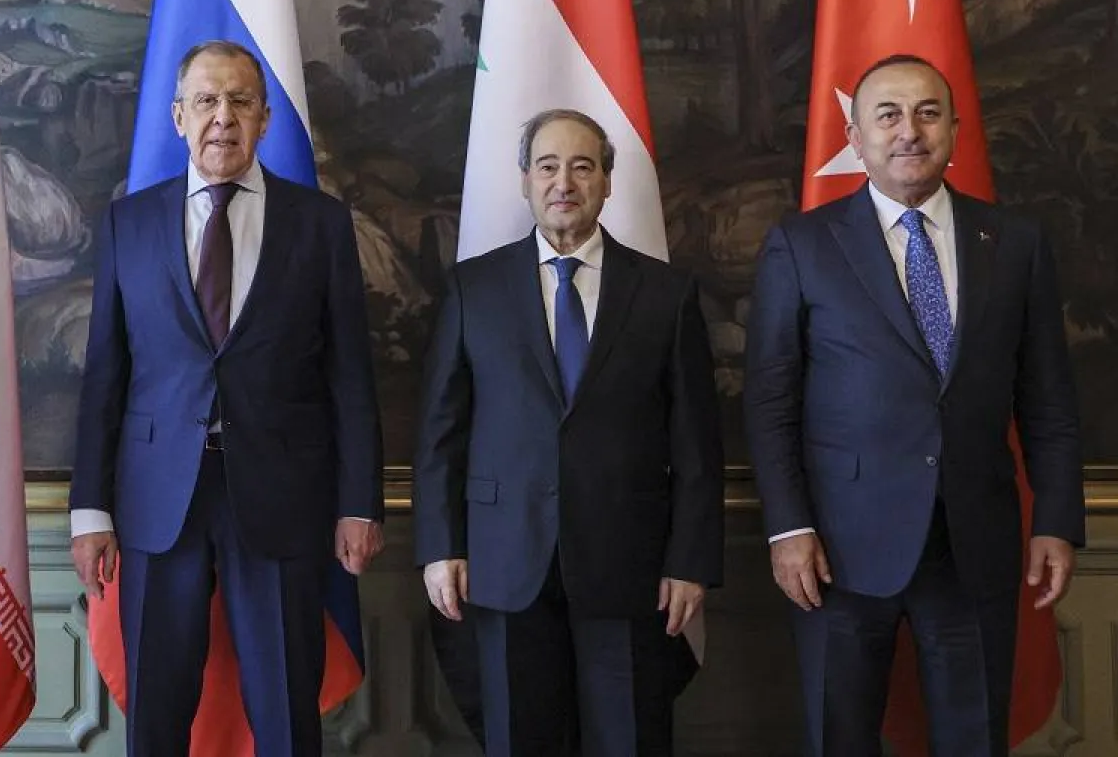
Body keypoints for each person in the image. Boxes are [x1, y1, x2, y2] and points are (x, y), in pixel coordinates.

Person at [744, 55, 1085, 755]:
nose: (909, 131)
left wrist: (1055, 518)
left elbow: (1048, 398)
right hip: (837, 549)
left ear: (956, 128)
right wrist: (787, 527)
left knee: (974, 736)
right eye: (888, 114)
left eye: (928, 112)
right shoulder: (803, 244)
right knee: (840, 735)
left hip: (973, 542)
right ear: (855, 133)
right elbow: (772, 400)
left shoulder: (1015, 245)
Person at [68, 39, 384, 756]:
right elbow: (105, 375)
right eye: (206, 101)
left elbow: (350, 376)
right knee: (157, 714)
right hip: (156, 500)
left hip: (281, 494)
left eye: (241, 101)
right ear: (178, 117)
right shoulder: (129, 222)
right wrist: (91, 507)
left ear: (266, 119)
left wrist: (360, 501)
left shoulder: (321, 224)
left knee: (284, 712)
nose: (223, 117)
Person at [415, 108, 723, 756]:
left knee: (629, 739)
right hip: (504, 560)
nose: (565, 181)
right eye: (549, 166)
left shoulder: (665, 293)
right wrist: (440, 544)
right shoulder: (475, 287)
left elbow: (696, 443)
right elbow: (443, 430)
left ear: (607, 182)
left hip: (629, 564)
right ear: (525, 179)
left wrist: (690, 559)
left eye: (583, 166)